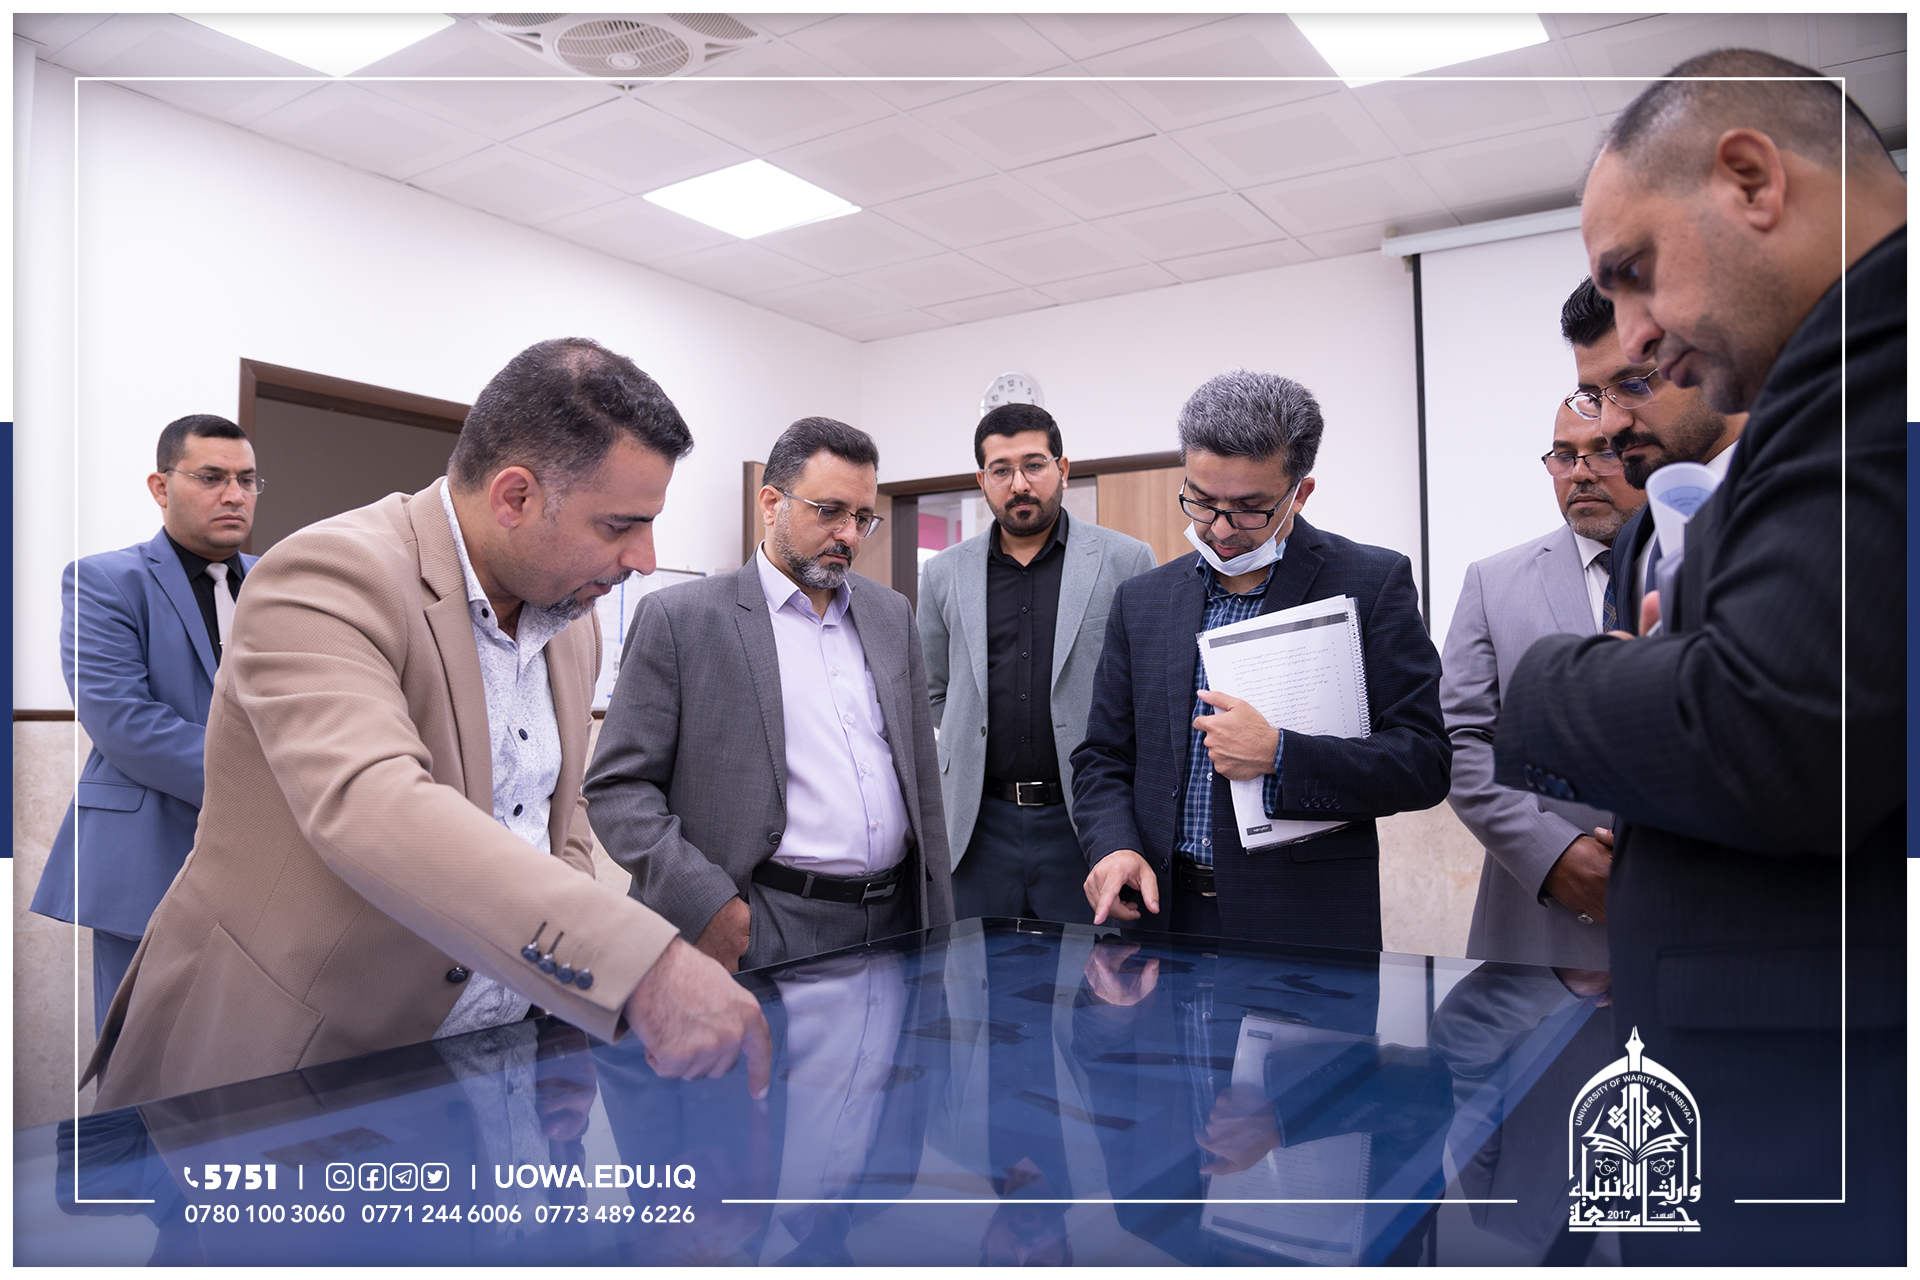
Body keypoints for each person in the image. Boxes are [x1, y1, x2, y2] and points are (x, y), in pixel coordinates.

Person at [86, 338, 772, 1111]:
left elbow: (556, 827)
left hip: (488, 1066)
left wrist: (561, 1011)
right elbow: (374, 806)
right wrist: (636, 966)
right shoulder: (326, 575)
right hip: (295, 1069)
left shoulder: (568, 617)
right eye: (619, 526)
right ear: (515, 497)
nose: (645, 559)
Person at [1496, 50, 1904, 1263]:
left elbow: (1771, 726)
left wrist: (1551, 679)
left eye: (1634, 272)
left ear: (1751, 180)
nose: (1636, 336)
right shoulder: (1823, 386)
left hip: (1817, 1109)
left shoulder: (1874, 380)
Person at [1072, 371, 1450, 949]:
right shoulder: (1143, 600)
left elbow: (1424, 763)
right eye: (1202, 502)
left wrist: (1280, 753)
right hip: (1160, 916)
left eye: (1249, 509)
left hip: (1301, 922)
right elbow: (1103, 756)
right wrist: (1112, 845)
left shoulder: (1372, 583)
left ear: (1300, 493)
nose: (1220, 529)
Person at [586, 417, 954, 972]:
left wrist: (936, 913)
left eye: (862, 517)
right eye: (829, 511)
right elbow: (618, 788)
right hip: (764, 921)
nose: (849, 535)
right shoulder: (682, 619)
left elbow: (921, 777)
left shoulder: (891, 614)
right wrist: (706, 904)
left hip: (897, 918)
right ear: (771, 503)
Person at [1439, 299, 1656, 969]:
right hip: (1540, 921)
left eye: (1602, 452)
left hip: (1692, 925)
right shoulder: (1493, 582)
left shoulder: (1701, 558)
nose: (1581, 472)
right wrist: (1554, 855)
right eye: (1564, 456)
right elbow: (1459, 741)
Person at [31, 415, 261, 1035]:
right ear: (161, 487)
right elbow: (124, 723)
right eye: (211, 477)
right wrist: (267, 784)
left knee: (245, 1051)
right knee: (141, 1049)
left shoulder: (282, 581)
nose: (234, 494)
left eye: (246, 480)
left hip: (268, 863)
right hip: (148, 858)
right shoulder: (104, 581)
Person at [916, 404, 1156, 924]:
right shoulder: (942, 574)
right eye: (1001, 470)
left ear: (1062, 469)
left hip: (1084, 820)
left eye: (1034, 465)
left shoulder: (1126, 561)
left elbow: (1146, 692)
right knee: (971, 970)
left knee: (1095, 972)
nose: (1019, 484)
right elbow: (933, 690)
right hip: (978, 825)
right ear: (982, 480)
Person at [1557, 276, 1742, 630]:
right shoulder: (1630, 543)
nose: (1610, 425)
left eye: (1634, 385)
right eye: (1595, 398)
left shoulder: (1820, 496)